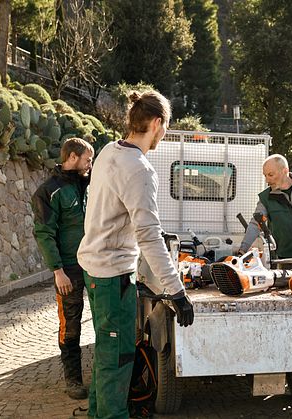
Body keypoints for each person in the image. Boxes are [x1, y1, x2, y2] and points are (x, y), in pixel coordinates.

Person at [77, 90, 194, 419]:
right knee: (118, 359)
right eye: (166, 127)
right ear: (157, 123)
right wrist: (177, 291)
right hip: (112, 274)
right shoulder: (139, 169)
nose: (165, 134)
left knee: (107, 353)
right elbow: (148, 235)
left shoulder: (108, 152)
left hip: (96, 268)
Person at [31, 137, 94, 400]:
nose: (90, 164)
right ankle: (73, 380)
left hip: (95, 265)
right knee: (70, 325)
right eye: (87, 159)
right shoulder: (49, 191)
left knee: (104, 322)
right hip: (68, 270)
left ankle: (104, 376)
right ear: (72, 158)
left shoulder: (90, 184)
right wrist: (57, 271)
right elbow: (44, 233)